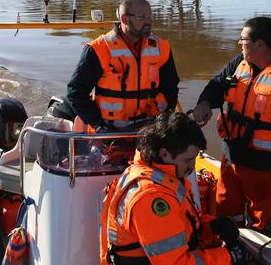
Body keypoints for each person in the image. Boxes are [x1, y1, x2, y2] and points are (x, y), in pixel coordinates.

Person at [192, 17, 271, 229]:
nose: (239, 44)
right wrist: (205, 103)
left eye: (243, 40)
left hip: (265, 168)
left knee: (261, 221)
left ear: (259, 44)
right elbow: (219, 84)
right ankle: (229, 249)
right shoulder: (239, 65)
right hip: (231, 158)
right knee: (225, 211)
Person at [98, 112, 246, 265]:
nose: (192, 167)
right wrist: (228, 257)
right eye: (188, 160)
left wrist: (211, 226)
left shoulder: (157, 175)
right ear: (164, 153)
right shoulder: (152, 197)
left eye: (194, 160)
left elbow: (179, 225)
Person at [67, 0, 179, 133]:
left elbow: (171, 88)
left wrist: (165, 120)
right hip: (109, 130)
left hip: (151, 129)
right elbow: (75, 92)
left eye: (150, 16)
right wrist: (98, 124)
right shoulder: (99, 49)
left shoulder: (161, 47)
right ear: (124, 19)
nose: (148, 22)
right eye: (141, 17)